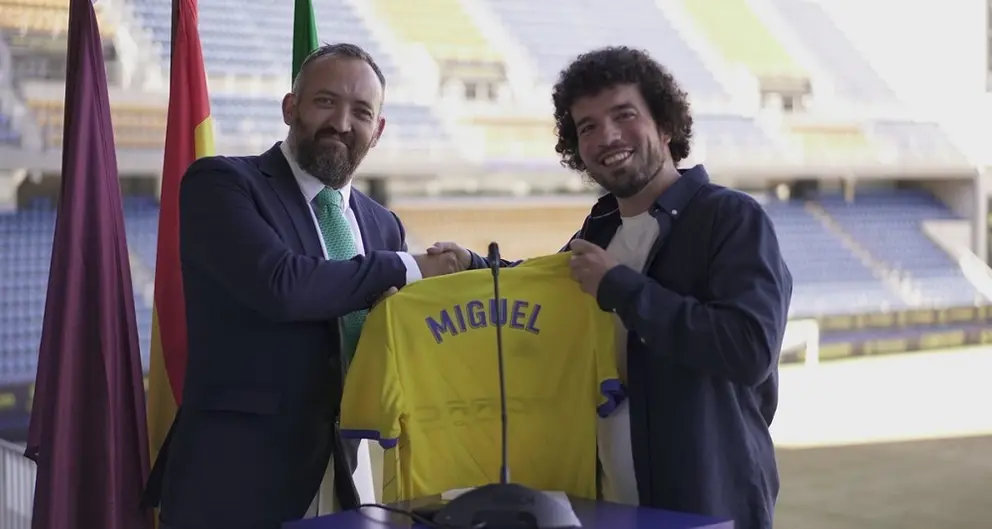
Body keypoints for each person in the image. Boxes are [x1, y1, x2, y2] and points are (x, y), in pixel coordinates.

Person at [429, 46, 792, 529]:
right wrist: (475, 265)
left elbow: (750, 349)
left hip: (707, 505)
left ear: (665, 125)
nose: (608, 136)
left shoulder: (730, 217)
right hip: (610, 505)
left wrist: (622, 288)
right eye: (588, 127)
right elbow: (550, 287)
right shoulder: (600, 227)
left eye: (624, 115)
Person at [144, 43, 464, 529]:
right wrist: (407, 266)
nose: (341, 121)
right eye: (325, 101)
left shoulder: (383, 225)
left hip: (350, 475)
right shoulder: (222, 184)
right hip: (235, 486)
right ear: (290, 108)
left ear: (377, 132)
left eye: (361, 111)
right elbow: (281, 285)